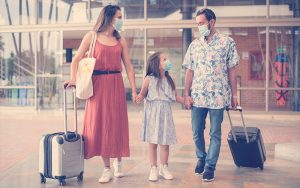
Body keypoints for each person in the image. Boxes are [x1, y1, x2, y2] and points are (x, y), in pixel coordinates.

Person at [65, 5, 137, 183]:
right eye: (119, 16)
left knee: (116, 122)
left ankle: (118, 160)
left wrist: (134, 89)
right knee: (101, 124)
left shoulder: (120, 40)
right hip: (97, 85)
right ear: (109, 17)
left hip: (115, 83)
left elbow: (128, 66)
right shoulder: (92, 36)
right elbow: (76, 59)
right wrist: (73, 79)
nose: (121, 20)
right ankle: (106, 168)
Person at [182, 8, 239, 182]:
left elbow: (232, 70)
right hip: (198, 96)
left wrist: (234, 95)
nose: (199, 26)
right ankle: (201, 157)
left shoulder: (227, 42)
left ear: (212, 22)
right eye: (197, 23)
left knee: (215, 133)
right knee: (197, 131)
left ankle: (210, 166)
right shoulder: (194, 45)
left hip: (218, 96)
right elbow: (189, 70)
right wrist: (186, 93)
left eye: (201, 23)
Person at [136, 52, 184, 182]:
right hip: (152, 115)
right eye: (164, 59)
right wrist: (138, 98)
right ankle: (153, 168)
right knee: (152, 144)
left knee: (165, 144)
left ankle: (164, 167)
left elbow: (176, 96)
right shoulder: (149, 79)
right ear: (156, 64)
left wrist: (187, 101)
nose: (167, 61)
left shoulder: (170, 79)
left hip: (165, 115)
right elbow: (142, 94)